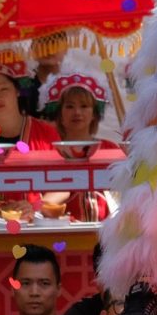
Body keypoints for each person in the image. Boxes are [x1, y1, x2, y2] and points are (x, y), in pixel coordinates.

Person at [0, 56, 58, 221]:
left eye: (4, 89)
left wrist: (35, 206)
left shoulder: (46, 133)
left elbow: (63, 186)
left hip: (37, 221)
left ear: (17, 91)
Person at [39, 56, 121, 221]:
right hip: (61, 232)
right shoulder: (49, 151)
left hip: (107, 231)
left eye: (84, 106)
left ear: (94, 114)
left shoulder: (109, 148)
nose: (77, 112)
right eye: (70, 106)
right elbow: (42, 200)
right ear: (60, 114)